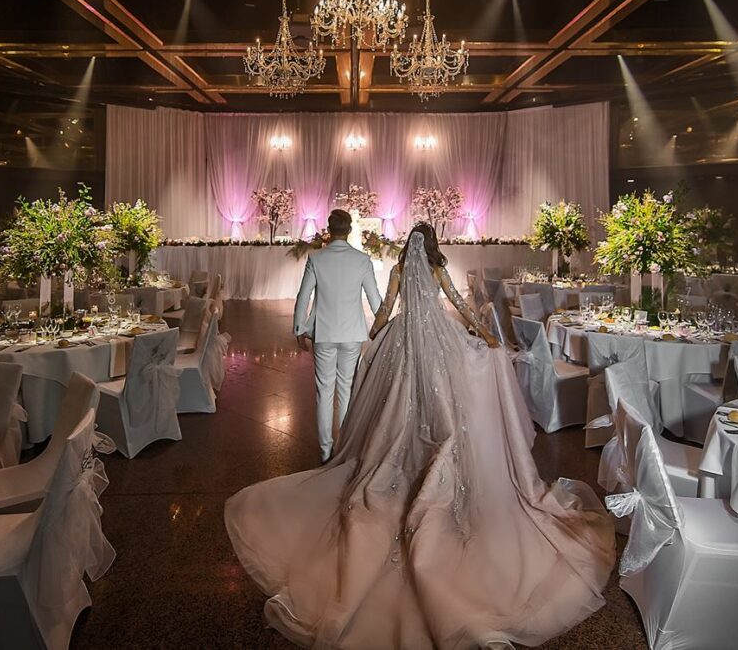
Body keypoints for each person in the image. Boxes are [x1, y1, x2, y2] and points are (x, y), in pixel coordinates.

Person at [227, 223, 616, 649]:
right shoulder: (435, 270)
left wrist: (376, 335)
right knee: (445, 407)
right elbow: (457, 304)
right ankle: (435, 453)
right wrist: (484, 334)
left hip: (404, 340)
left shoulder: (398, 272)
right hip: (437, 343)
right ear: (431, 246)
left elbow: (386, 309)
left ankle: (409, 453)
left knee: (395, 409)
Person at [293, 209, 383, 463]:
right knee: (346, 389)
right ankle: (342, 448)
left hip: (324, 332)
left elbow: (304, 296)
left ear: (329, 230)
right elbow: (374, 298)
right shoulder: (362, 260)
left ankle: (325, 451)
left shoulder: (317, 258)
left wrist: (299, 328)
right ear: (350, 229)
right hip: (352, 333)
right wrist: (384, 325)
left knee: (324, 391)